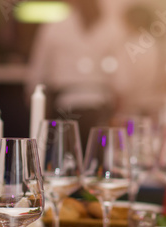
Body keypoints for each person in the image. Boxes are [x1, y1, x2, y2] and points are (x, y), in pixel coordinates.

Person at [26, 0, 120, 149]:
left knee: (65, 161)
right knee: (97, 163)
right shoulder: (112, 29)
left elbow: (37, 73)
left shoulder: (54, 27)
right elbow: (121, 80)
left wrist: (33, 103)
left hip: (66, 108)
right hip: (99, 108)